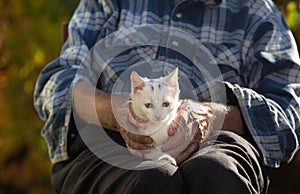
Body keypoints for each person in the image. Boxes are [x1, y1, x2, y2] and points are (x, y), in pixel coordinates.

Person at [34, 0, 300, 193]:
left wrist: (213, 116)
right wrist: (115, 113)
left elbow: (290, 113)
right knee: (151, 180)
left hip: (220, 141)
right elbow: (57, 84)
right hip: (110, 143)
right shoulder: (109, 3)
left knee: (217, 174)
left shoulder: (256, 13)